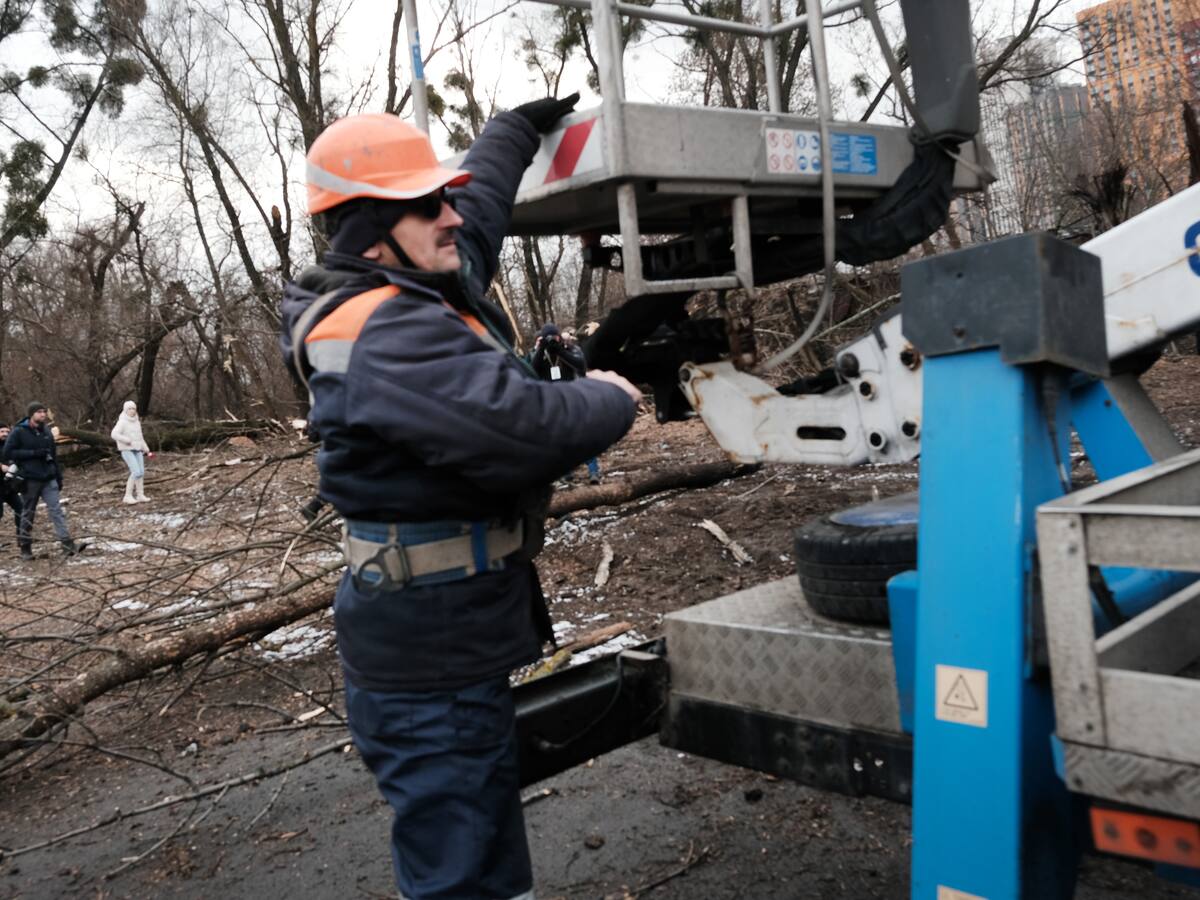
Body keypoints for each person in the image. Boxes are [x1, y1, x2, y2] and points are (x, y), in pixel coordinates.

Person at [281, 97, 641, 900]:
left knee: (482, 844)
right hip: (427, 666)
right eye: (427, 202)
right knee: (464, 874)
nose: (450, 215)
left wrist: (516, 126)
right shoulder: (381, 331)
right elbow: (523, 428)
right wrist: (615, 394)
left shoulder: (414, 271)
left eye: (445, 195)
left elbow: (473, 214)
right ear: (371, 226)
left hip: (446, 641)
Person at [3, 402, 79, 560]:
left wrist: (58, 477)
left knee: (56, 511)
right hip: (30, 479)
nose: (43, 415)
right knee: (28, 513)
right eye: (39, 412)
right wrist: (32, 453)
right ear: (31, 414)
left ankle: (67, 544)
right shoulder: (18, 431)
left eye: (44, 412)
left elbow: (53, 455)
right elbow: (8, 452)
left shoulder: (46, 431)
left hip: (48, 477)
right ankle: (25, 548)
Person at [530, 323, 602, 484]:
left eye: (554, 336)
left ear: (559, 336)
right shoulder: (541, 355)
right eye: (549, 337)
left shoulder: (568, 349)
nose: (552, 339)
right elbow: (532, 371)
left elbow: (581, 366)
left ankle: (594, 472)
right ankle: (567, 472)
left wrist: (560, 350)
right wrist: (541, 348)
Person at [110, 400, 152, 504]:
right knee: (136, 471)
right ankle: (127, 496)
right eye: (129, 409)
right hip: (126, 449)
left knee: (141, 472)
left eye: (133, 408)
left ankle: (140, 494)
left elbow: (140, 437)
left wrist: (145, 447)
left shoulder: (136, 422)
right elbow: (114, 434)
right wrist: (126, 440)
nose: (132, 411)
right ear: (125, 410)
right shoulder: (122, 422)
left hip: (137, 449)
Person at [0, 424, 24, 546]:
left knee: (21, 508)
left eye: (7, 431)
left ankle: (22, 538)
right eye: (2, 431)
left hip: (9, 486)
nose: (5, 433)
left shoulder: (11, 446)